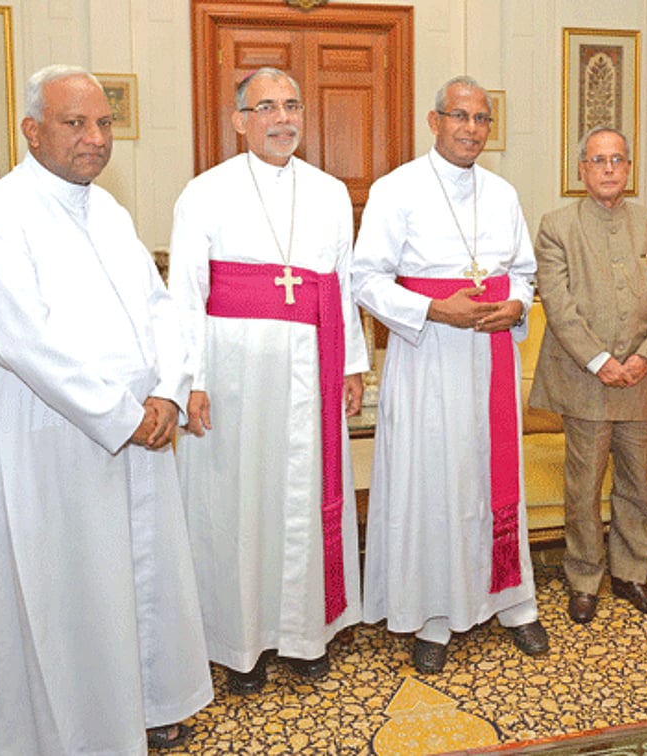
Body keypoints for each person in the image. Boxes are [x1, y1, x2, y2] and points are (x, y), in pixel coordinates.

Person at [0, 64, 211, 753]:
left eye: (103, 124)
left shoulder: (109, 209)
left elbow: (160, 306)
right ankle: (77, 731)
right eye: (76, 124)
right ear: (32, 131)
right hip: (56, 437)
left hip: (140, 423)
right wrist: (123, 413)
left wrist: (166, 388)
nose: (95, 139)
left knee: (139, 576)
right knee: (68, 590)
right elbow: (25, 341)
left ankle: (147, 703)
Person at [168, 67, 368, 695]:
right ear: (239, 120)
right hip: (232, 373)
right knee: (236, 500)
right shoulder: (203, 192)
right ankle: (239, 642)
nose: (283, 119)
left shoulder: (331, 192)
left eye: (292, 106)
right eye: (267, 108)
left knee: (301, 496)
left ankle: (304, 634)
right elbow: (186, 295)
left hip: (311, 368)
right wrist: (190, 378)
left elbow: (343, 285)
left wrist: (352, 363)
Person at [352, 75, 548, 674]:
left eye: (482, 119)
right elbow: (365, 278)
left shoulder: (504, 193)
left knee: (493, 478)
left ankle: (512, 601)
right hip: (427, 356)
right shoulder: (396, 189)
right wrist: (436, 309)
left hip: (488, 353)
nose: (471, 129)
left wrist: (515, 304)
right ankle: (431, 614)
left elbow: (524, 271)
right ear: (433, 122)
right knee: (433, 481)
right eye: (459, 117)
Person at [530, 126, 647, 624]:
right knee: (584, 485)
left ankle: (632, 574)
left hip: (640, 380)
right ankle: (584, 579)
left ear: (630, 168)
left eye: (617, 159)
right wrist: (600, 361)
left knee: (637, 484)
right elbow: (558, 304)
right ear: (582, 170)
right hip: (584, 383)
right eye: (598, 160)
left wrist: (645, 358)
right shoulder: (557, 226)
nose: (609, 169)